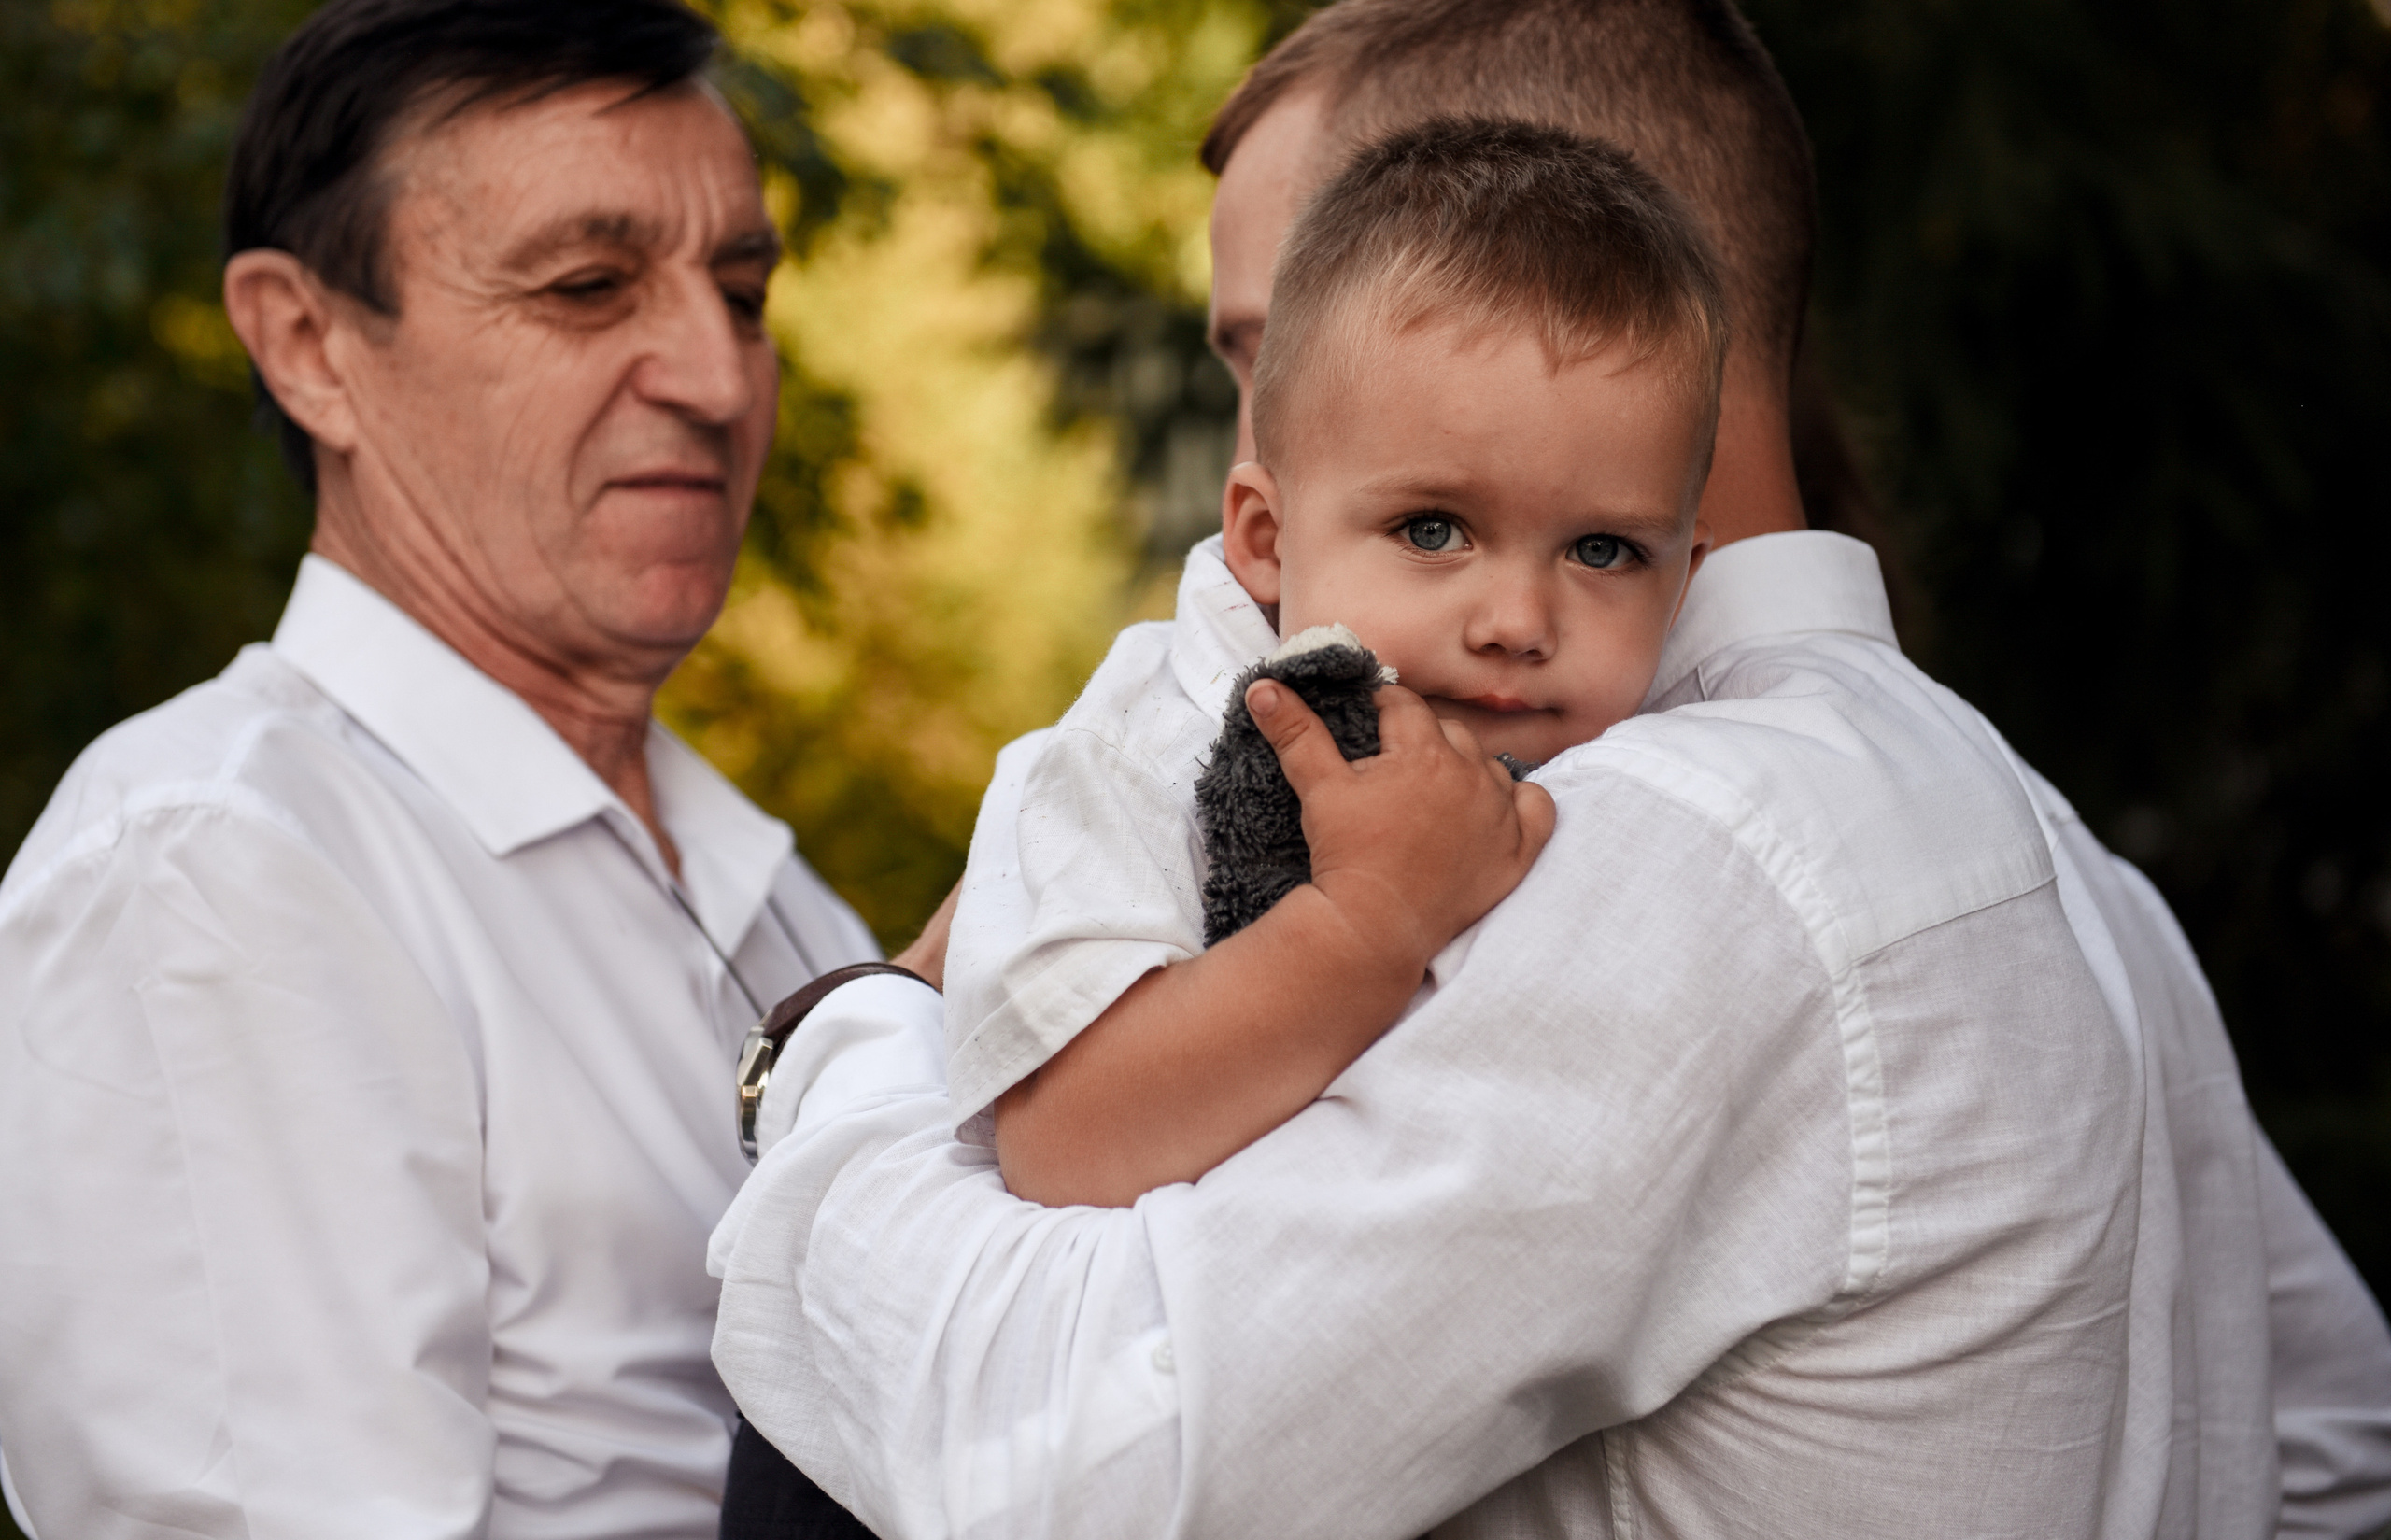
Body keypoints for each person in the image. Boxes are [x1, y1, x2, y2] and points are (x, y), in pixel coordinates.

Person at [713, 1, 2391, 1536]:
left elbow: (1071, 1456)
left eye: (1270, 339)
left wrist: (844, 1041)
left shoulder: (1659, 850)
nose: (1247, 461)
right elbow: (2327, 1440)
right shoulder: (2041, 841)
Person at [0, 2, 924, 1534]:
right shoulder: (218, 864)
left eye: (746, 290)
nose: (715, 372)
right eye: (586, 285)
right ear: (310, 345)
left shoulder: (781, 904)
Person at [940, 119, 1723, 1208]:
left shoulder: (1675, 784)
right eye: (1433, 528)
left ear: (1683, 582)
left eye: (1603, 551)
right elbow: (1065, 1140)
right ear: (1266, 538)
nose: (1516, 619)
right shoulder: (1131, 761)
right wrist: (1367, 921)